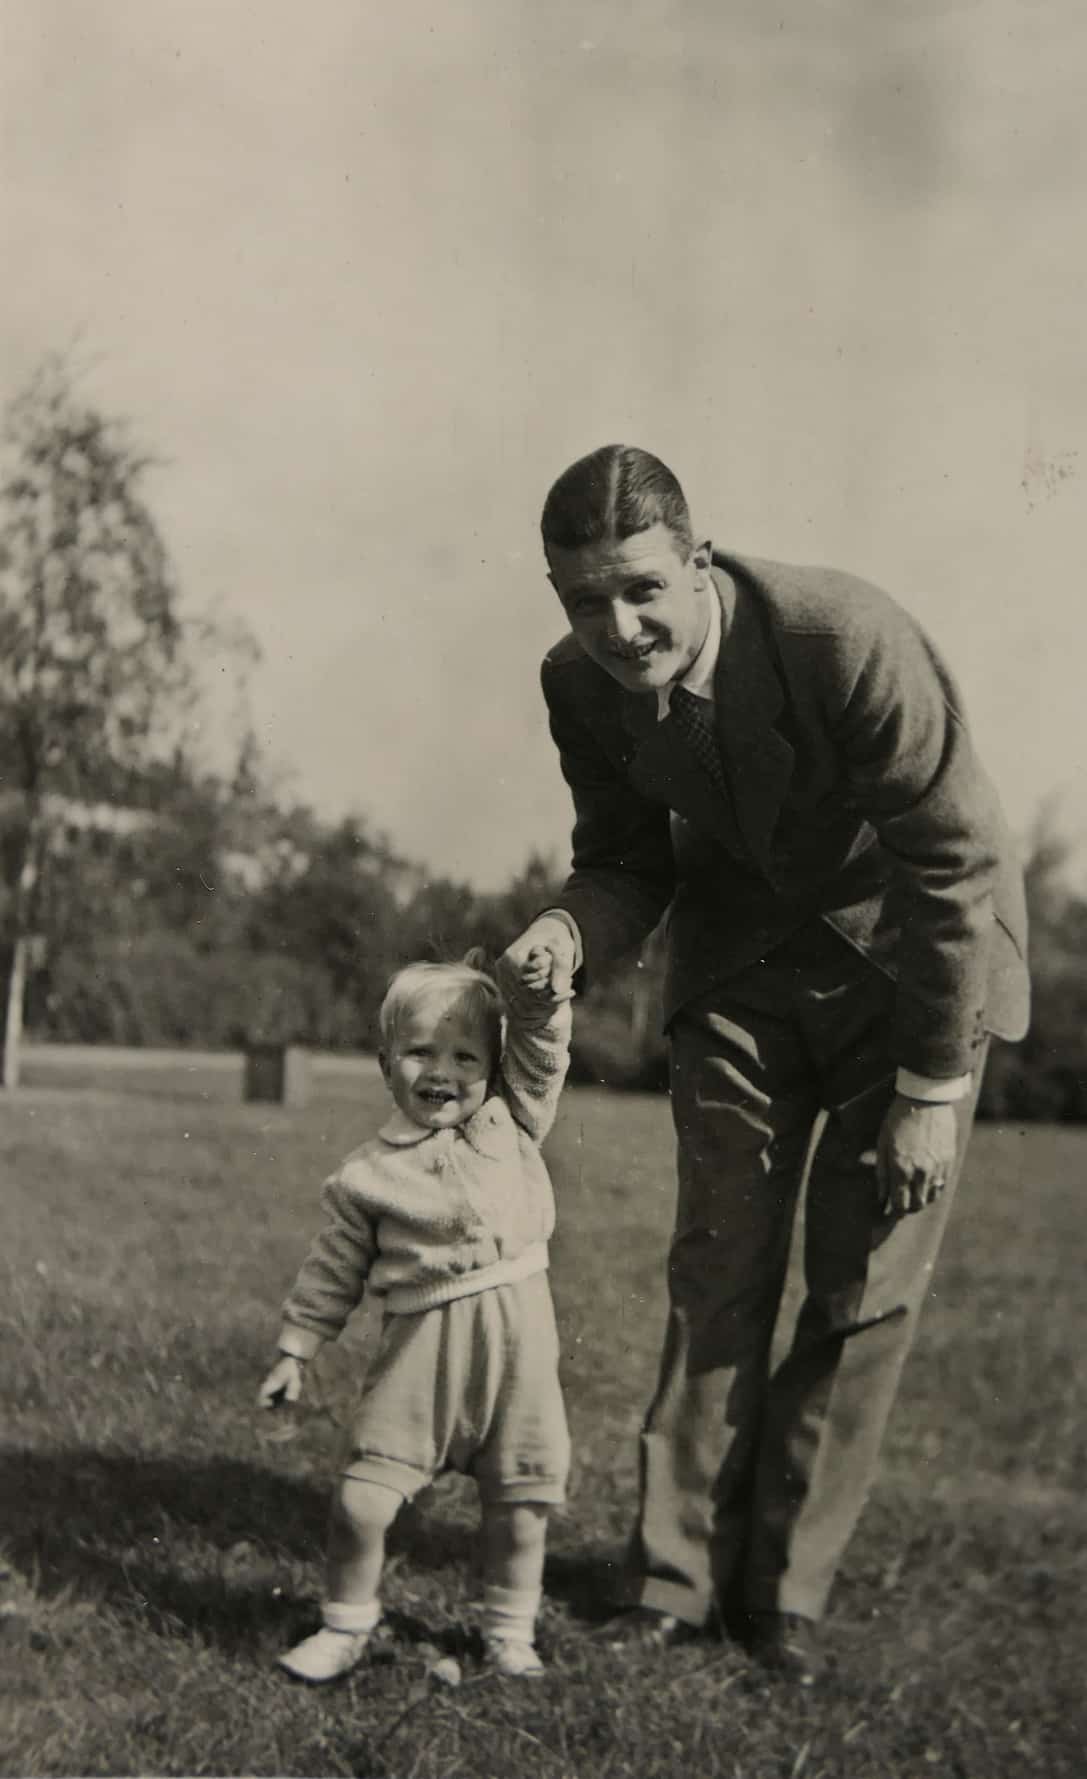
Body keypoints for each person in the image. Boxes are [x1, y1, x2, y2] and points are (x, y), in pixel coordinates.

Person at [501, 444, 1030, 1684]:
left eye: (640, 588)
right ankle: (671, 1580)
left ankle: (780, 1594)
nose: (618, 628)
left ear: (697, 559)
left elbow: (953, 864)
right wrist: (564, 931)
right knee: (716, 1265)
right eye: (583, 600)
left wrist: (929, 1091)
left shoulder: (840, 633)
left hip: (912, 970)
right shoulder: (578, 686)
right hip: (740, 973)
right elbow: (628, 863)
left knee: (862, 1285)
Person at [257, 948, 571, 1683]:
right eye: (420, 1052)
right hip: (419, 1358)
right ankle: (345, 1623)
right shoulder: (368, 1174)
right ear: (384, 1061)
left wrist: (545, 998)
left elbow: (543, 1049)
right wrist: (295, 1349)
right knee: (363, 1500)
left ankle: (509, 1632)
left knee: (523, 1500)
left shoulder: (513, 1118)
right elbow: (332, 1269)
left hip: (518, 1354)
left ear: (494, 1069)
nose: (443, 1072)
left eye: (466, 1056)